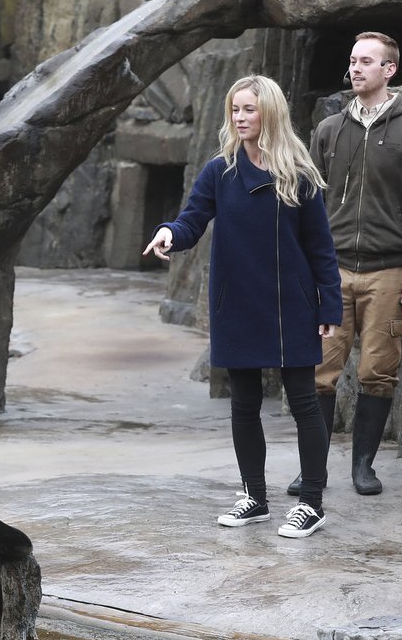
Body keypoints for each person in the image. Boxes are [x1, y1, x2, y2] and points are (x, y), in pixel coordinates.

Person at [143, 75, 342, 538]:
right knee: (244, 404)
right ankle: (254, 496)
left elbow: (321, 248)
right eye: (235, 110)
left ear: (268, 112)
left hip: (289, 305)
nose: (239, 118)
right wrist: (171, 232)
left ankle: (312, 502)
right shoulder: (221, 170)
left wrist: (328, 306)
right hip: (237, 303)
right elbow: (193, 218)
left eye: (248, 109)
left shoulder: (299, 174)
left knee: (304, 404)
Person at [286, 31, 402, 497]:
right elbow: (308, 203)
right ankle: (313, 469)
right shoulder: (329, 129)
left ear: (389, 69)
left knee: (377, 369)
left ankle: (363, 468)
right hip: (331, 272)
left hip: (389, 270)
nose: (355, 68)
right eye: (352, 60)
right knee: (319, 371)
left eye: (366, 62)